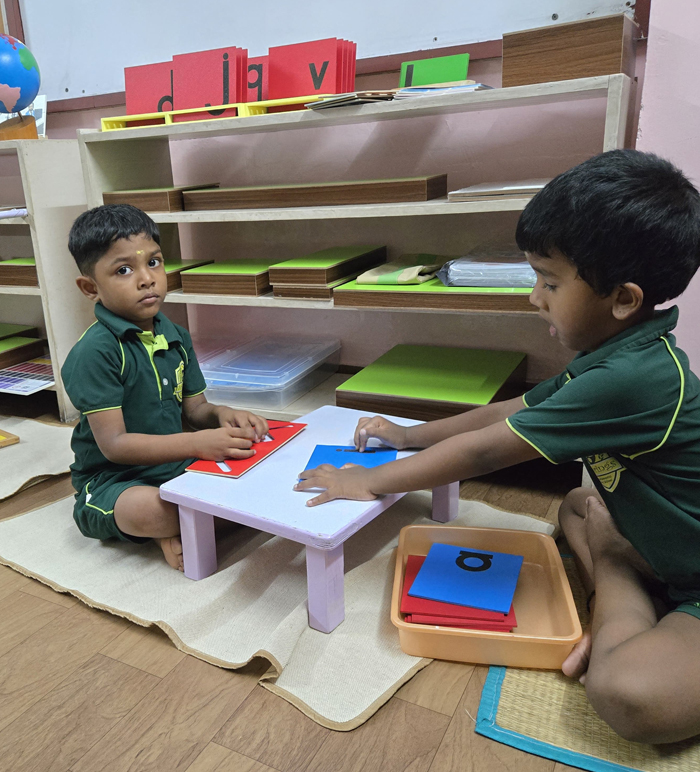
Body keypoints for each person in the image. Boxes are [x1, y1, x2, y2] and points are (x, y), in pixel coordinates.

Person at [295, 150, 700, 744]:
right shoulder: (619, 355)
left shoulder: (634, 378)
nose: (535, 297)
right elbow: (515, 410)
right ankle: (626, 592)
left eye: (550, 282)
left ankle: (616, 575)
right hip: (666, 550)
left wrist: (371, 479)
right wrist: (408, 434)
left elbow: (486, 454)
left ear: (623, 299)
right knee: (575, 507)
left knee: (628, 695)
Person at [62, 204, 268, 571]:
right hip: (113, 479)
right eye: (124, 270)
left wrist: (223, 415)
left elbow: (195, 411)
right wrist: (198, 443)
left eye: (154, 262)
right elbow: (115, 446)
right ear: (90, 287)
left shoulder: (175, 335)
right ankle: (171, 526)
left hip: (174, 464)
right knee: (154, 511)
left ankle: (191, 522)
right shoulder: (94, 352)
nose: (146, 278)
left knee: (259, 477)